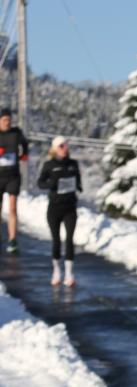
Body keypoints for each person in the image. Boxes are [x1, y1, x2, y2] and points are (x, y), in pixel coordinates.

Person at [37, 136, 82, 286]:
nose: (65, 148)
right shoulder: (49, 165)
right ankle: (56, 271)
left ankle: (69, 273)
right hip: (55, 208)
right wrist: (50, 183)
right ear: (55, 148)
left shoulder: (73, 164)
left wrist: (78, 186)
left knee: (69, 239)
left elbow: (78, 178)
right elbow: (40, 183)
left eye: (66, 145)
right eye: (61, 146)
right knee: (56, 240)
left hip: (70, 207)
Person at [0, 107, 30, 254]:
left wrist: (24, 155)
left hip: (13, 175)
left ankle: (12, 239)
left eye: (9, 120)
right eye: (4, 120)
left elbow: (25, 144)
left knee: (12, 207)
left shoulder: (16, 133)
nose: (7, 122)